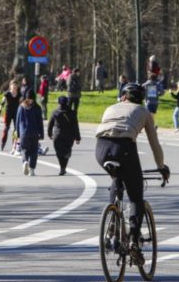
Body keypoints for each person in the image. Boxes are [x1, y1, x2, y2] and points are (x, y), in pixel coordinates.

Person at [95, 83, 170, 265]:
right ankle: (134, 242)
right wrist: (161, 166)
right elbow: (154, 143)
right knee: (135, 197)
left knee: (116, 178)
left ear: (123, 97)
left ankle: (112, 221)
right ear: (140, 99)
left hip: (101, 148)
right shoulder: (143, 111)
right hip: (125, 148)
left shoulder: (110, 108)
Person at [48, 96, 81, 175]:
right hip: (69, 135)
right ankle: (64, 166)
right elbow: (75, 126)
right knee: (66, 151)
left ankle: (62, 167)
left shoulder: (55, 112)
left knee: (59, 152)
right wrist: (77, 137)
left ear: (58, 103)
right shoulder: (72, 113)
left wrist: (49, 134)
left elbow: (50, 124)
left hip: (57, 135)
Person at [16, 88, 44, 177]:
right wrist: (41, 133)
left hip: (23, 132)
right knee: (34, 151)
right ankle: (32, 169)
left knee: (24, 149)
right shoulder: (37, 107)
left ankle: (25, 162)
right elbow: (40, 121)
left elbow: (17, 121)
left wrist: (17, 134)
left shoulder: (21, 107)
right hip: (34, 132)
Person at [0, 80, 21, 151]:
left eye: (15, 86)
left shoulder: (19, 95)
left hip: (16, 113)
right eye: (13, 86)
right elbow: (2, 103)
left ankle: (14, 144)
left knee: (16, 130)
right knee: (6, 129)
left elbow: (22, 103)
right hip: (8, 113)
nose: (14, 87)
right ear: (10, 86)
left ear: (17, 87)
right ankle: (3, 142)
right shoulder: (7, 94)